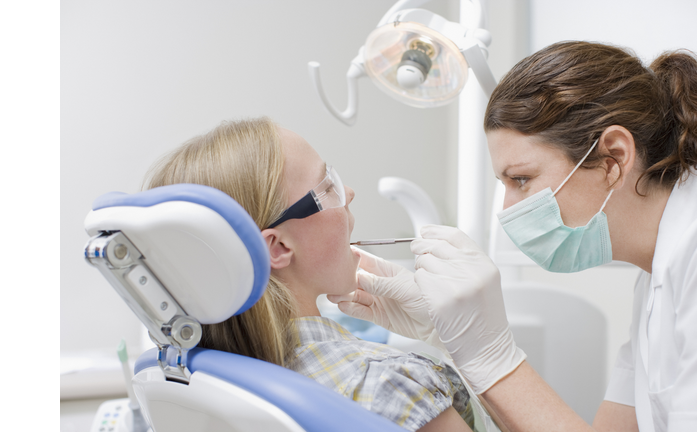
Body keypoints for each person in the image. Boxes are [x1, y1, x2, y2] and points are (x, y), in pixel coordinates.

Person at [331, 41, 697, 432]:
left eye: (522, 179)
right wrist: (455, 342)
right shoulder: (654, 279)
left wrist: (490, 356)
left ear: (613, 158)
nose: (508, 209)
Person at [142, 117, 480, 432]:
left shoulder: (188, 376)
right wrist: (472, 349)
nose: (348, 193)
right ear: (277, 249)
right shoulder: (386, 383)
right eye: (327, 187)